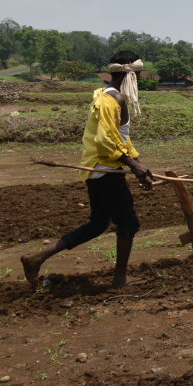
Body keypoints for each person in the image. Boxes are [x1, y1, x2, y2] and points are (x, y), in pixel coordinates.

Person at [21, 50, 155, 289]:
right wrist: (134, 165)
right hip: (106, 172)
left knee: (98, 224)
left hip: (99, 171)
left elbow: (119, 138)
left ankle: (36, 259)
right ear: (130, 74)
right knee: (129, 225)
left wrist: (138, 163)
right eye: (139, 74)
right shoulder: (112, 100)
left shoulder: (107, 96)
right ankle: (120, 280)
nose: (141, 78)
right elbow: (105, 141)